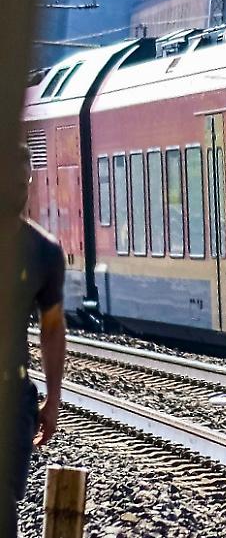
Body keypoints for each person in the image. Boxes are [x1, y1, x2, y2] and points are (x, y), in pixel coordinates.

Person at [7, 145, 66, 537]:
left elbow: (52, 329)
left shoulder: (43, 252)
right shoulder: (41, 250)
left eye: (22, 181)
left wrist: (53, 398)